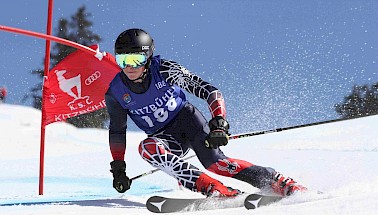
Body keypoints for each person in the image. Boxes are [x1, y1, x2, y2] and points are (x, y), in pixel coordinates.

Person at [105, 28, 306, 198]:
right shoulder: (115, 92)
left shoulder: (164, 70)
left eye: (136, 59)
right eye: (123, 60)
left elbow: (209, 91)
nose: (129, 67)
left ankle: (279, 182)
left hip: (188, 122)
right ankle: (214, 189)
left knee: (217, 164)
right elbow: (116, 131)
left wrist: (219, 123)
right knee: (148, 149)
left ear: (148, 58)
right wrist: (118, 168)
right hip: (163, 137)